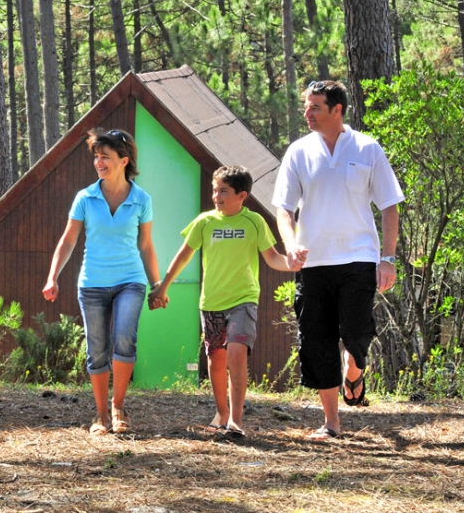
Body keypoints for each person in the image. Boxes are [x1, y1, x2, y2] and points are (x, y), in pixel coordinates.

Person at [272, 81, 403, 440]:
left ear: (337, 109)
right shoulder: (298, 152)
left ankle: (355, 368)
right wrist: (291, 244)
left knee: (356, 331)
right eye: (305, 105)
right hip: (313, 263)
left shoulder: (367, 147)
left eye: (315, 106)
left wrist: (387, 259)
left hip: (359, 257)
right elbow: (283, 208)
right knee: (317, 339)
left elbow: (389, 204)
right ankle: (331, 422)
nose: (307, 112)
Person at [149, 165, 300, 437]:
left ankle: (236, 421)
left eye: (223, 191)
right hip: (211, 302)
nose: (216, 196)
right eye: (214, 190)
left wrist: (294, 264)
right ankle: (221, 412)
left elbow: (273, 258)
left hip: (244, 299)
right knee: (216, 360)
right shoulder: (205, 222)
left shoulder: (254, 222)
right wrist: (163, 287)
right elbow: (184, 255)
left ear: (242, 196)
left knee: (237, 354)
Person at [42, 129, 160, 435]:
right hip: (92, 282)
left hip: (130, 281)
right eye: (96, 156)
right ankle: (100, 415)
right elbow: (68, 241)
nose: (98, 162)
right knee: (96, 349)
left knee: (124, 338)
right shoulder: (85, 197)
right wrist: (52, 276)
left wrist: (157, 284)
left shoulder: (141, 199)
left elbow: (146, 246)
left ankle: (118, 406)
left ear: (124, 160)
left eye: (105, 156)